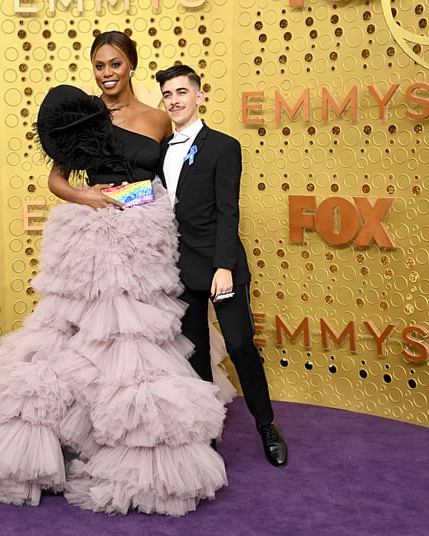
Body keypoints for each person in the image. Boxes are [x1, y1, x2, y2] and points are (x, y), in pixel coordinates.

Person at [0, 32, 229, 516]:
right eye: (99, 64)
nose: (106, 72)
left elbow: (170, 178)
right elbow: (57, 178)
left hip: (146, 232)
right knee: (77, 332)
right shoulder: (82, 115)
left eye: (115, 63)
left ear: (132, 65)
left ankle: (135, 432)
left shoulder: (161, 118)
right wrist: (90, 197)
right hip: (93, 233)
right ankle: (69, 435)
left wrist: (170, 214)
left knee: (137, 335)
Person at [156, 64, 289, 468]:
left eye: (182, 92)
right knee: (195, 355)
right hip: (179, 268)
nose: (175, 100)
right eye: (167, 94)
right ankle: (206, 434)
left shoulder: (223, 145)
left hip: (220, 264)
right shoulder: (160, 149)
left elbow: (229, 211)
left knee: (240, 346)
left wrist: (224, 266)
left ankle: (267, 426)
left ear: (199, 96)